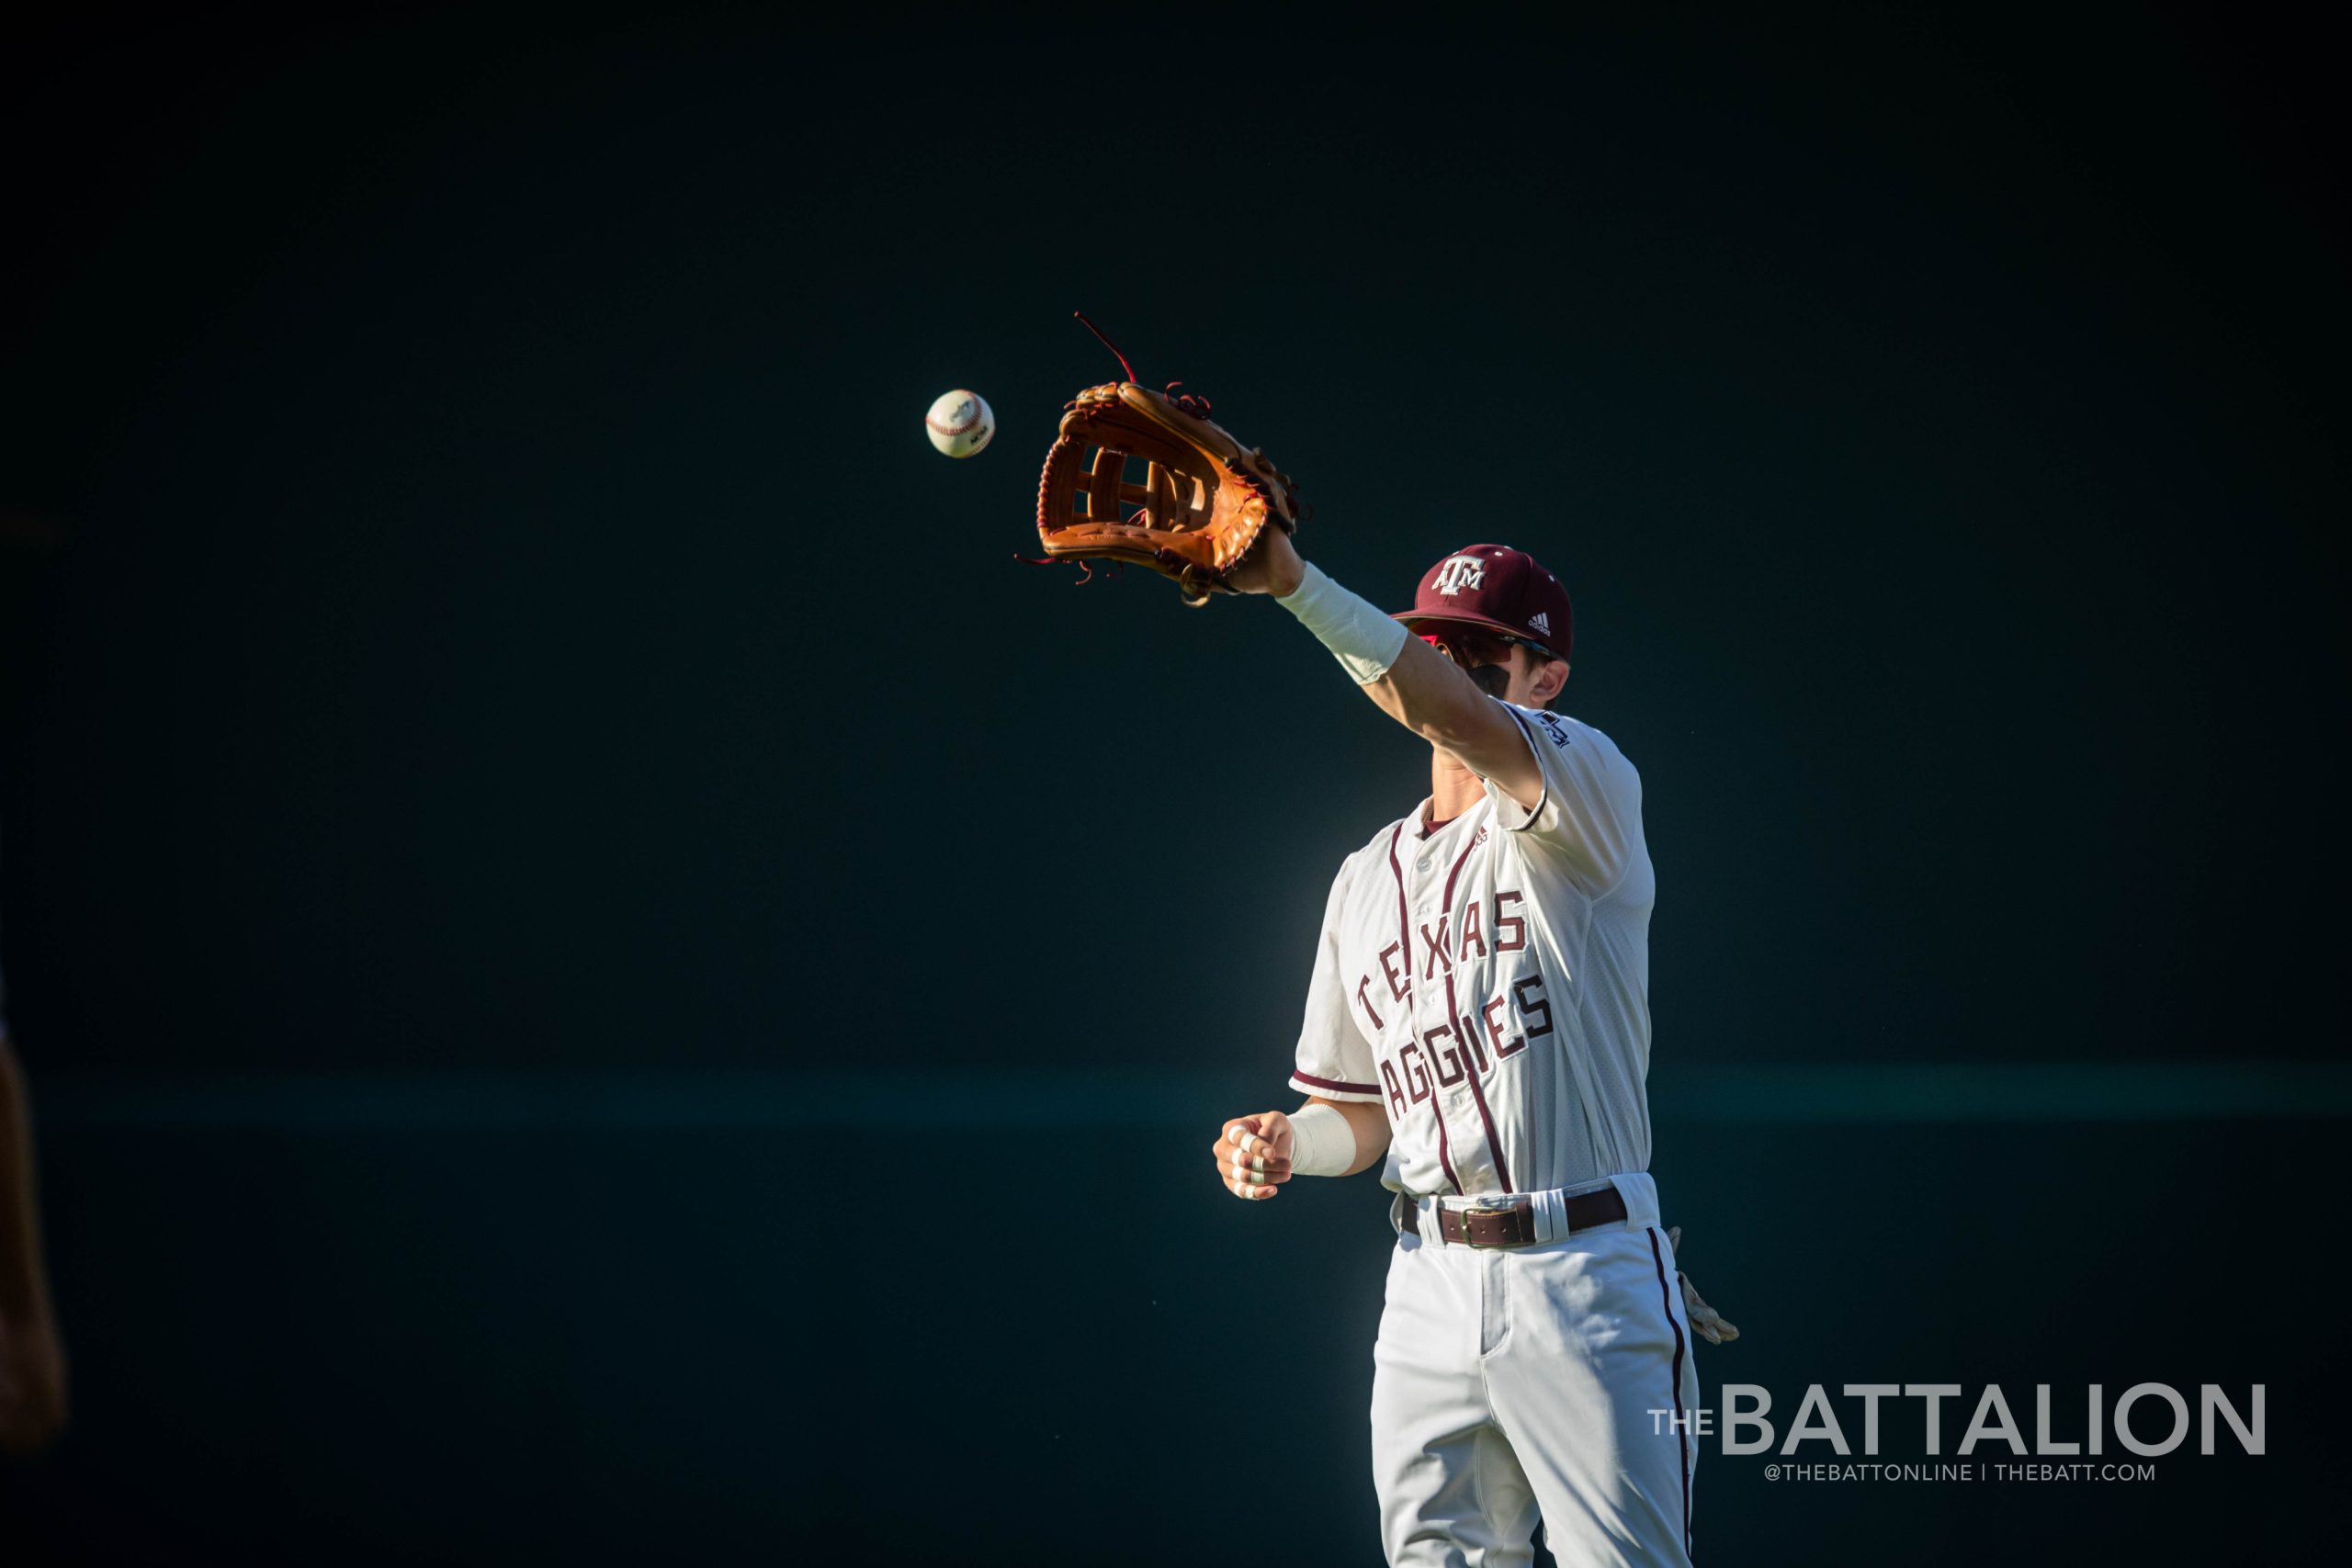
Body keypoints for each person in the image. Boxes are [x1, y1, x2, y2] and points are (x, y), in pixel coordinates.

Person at [1208, 529, 1709, 1565]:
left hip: (1584, 1271)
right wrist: (1292, 1144)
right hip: (1427, 1279)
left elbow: (1454, 715)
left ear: (1547, 676)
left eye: (1473, 652)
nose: (1442, 664)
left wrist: (1295, 586)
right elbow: (1362, 1111)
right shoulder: (1361, 881)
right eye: (1426, 641)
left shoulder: (1586, 791)